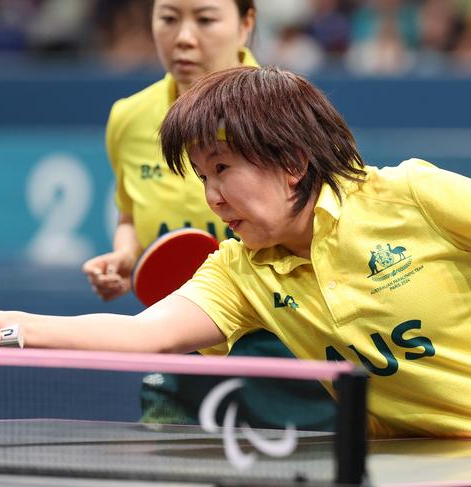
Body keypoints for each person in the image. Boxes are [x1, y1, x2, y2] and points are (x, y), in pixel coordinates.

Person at [0, 65, 471, 440]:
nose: (211, 197)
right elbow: (145, 336)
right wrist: (14, 325)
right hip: (404, 465)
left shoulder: (413, 196)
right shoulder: (241, 271)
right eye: (202, 176)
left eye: (223, 169)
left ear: (292, 161)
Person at [81, 0, 334, 429]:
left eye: (205, 18)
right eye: (168, 18)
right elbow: (129, 213)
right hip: (185, 341)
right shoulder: (129, 119)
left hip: (282, 338)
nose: (183, 36)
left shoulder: (282, 110)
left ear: (245, 23)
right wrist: (126, 256)